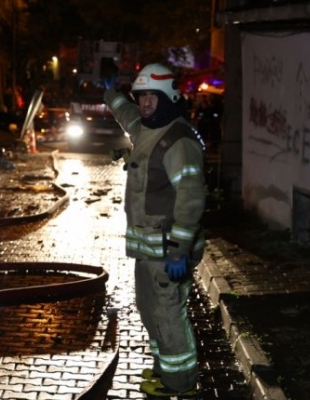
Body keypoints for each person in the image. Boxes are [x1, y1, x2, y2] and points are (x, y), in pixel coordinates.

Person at [104, 63, 206, 398]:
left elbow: (191, 201)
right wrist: (111, 93)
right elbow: (128, 116)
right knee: (152, 313)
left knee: (168, 317)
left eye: (153, 96)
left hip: (168, 253)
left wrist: (179, 250)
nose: (146, 103)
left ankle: (181, 385)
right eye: (142, 95)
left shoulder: (178, 141)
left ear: (169, 97)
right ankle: (166, 372)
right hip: (149, 253)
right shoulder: (149, 128)